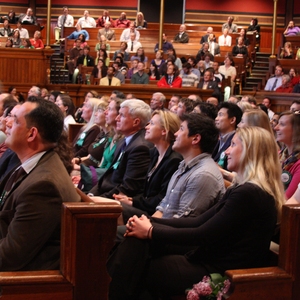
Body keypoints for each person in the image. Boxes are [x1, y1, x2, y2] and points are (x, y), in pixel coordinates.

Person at [107, 126, 284, 299]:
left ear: (250, 152)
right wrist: (149, 222)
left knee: (138, 264)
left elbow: (203, 234)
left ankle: (102, 288)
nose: (226, 151)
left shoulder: (250, 193)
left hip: (221, 272)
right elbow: (198, 221)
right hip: (208, 258)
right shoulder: (243, 189)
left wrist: (151, 231)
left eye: (234, 145)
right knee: (137, 243)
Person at [0, 98, 80, 271]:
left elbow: (9, 257)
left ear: (31, 134)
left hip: (23, 284)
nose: (6, 122)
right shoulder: (33, 163)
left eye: (14, 120)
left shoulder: (43, 186)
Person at [114, 110, 182, 222]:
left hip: (156, 214)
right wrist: (132, 199)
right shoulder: (154, 153)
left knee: (115, 209)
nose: (146, 127)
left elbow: (163, 199)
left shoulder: (173, 160)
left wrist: (133, 202)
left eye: (152, 124)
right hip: (146, 206)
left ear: (164, 131)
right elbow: (145, 191)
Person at [89, 99, 152, 199]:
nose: (117, 118)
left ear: (136, 122)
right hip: (105, 193)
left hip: (117, 200)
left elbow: (128, 188)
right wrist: (91, 194)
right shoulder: (123, 141)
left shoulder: (140, 148)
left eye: (122, 115)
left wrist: (98, 199)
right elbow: (108, 176)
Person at [275, 111, 300, 199]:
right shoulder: (279, 155)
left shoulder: (298, 163)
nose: (276, 128)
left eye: (282, 124)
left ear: (296, 129)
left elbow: (287, 198)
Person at [212, 102, 242, 170]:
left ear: (232, 120)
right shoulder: (217, 139)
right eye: (217, 115)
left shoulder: (237, 141)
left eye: (220, 115)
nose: (216, 118)